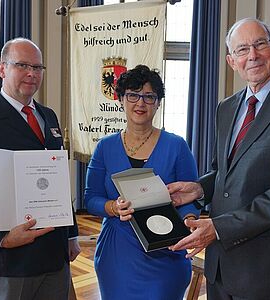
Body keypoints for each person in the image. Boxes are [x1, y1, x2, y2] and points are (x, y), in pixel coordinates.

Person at [168, 18, 270, 300]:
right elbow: (223, 172)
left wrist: (218, 227)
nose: (252, 55)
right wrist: (200, 188)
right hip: (220, 267)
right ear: (232, 61)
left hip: (266, 269)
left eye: (259, 44)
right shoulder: (226, 108)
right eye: (242, 50)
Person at [0, 37, 80, 300]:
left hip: (55, 257)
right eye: (22, 65)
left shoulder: (48, 116)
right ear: (2, 69)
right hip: (11, 261)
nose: (32, 73)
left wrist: (71, 234)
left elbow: (58, 181)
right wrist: (1, 238)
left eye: (38, 67)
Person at [84, 65, 200, 300]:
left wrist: (188, 222)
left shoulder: (177, 146)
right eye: (133, 95)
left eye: (149, 97)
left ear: (158, 103)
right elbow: (91, 198)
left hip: (166, 250)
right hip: (118, 253)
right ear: (121, 100)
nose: (140, 103)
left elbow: (191, 198)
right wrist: (113, 208)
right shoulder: (104, 147)